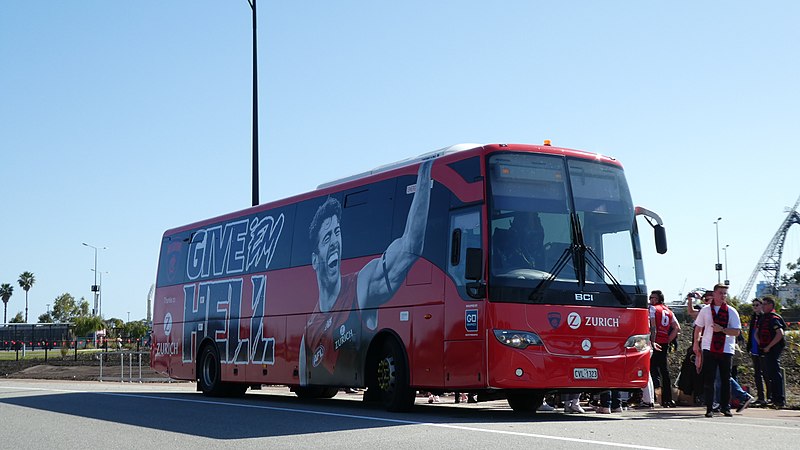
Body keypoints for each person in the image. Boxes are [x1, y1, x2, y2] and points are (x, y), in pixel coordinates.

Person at [299, 160, 433, 386]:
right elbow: (304, 384)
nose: (335, 242)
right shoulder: (308, 335)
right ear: (314, 260)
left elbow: (410, 246)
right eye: (327, 237)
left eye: (337, 232)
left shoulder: (361, 285)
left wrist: (424, 176)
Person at [693, 283, 741, 418]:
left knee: (726, 379)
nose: (723, 296)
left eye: (725, 293)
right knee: (709, 379)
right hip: (709, 347)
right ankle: (709, 407)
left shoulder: (731, 311)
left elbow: (736, 331)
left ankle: (726, 407)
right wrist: (696, 344)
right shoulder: (705, 310)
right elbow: (698, 328)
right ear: (714, 294)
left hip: (726, 348)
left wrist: (723, 330)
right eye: (720, 293)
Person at [649, 290, 680, 407]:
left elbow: (653, 326)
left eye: (653, 298)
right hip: (664, 343)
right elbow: (677, 328)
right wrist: (668, 339)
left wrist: (652, 340)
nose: (651, 300)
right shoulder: (669, 311)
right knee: (664, 371)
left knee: (651, 370)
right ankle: (668, 399)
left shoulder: (653, 309)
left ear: (657, 299)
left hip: (655, 342)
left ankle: (652, 397)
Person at [758, 296, 786, 409]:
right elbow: (757, 332)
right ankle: (774, 399)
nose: (762, 306)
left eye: (764, 304)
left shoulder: (774, 318)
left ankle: (779, 400)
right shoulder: (764, 318)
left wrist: (769, 346)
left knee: (775, 374)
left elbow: (780, 333)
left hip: (773, 350)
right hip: (766, 350)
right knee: (770, 374)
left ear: (770, 305)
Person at [747, 298, 768, 406]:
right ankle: (760, 397)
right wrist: (749, 346)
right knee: (757, 374)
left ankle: (769, 397)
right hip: (754, 349)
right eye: (754, 305)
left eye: (757, 305)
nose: (755, 307)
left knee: (766, 373)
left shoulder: (764, 318)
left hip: (762, 349)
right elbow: (751, 332)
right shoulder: (754, 317)